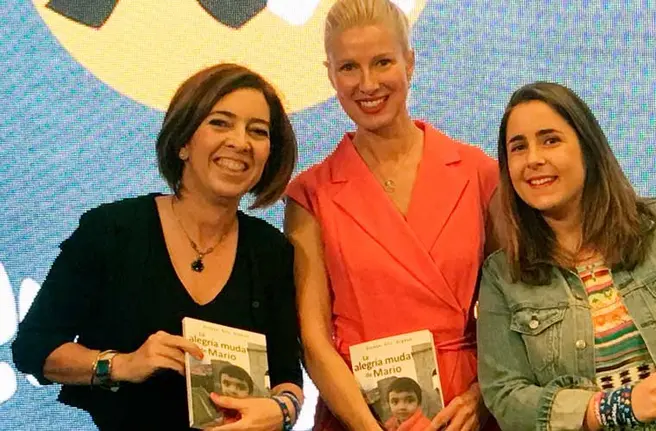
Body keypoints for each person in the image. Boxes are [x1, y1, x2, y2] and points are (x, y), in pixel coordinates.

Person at [12, 63, 304, 430]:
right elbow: (32, 348)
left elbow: (287, 375)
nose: (240, 142)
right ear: (183, 141)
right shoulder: (111, 230)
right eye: (220, 123)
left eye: (258, 131)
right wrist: (122, 364)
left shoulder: (271, 250)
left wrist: (282, 411)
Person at [476, 81, 656, 430]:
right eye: (518, 148)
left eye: (551, 140)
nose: (534, 159)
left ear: (587, 147)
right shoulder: (503, 275)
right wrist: (612, 407)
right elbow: (505, 396)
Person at [284, 1, 499, 430]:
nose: (367, 84)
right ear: (330, 75)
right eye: (349, 67)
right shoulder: (310, 194)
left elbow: (517, 305)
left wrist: (482, 397)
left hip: (465, 412)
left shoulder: (479, 173)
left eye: (382, 62)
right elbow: (313, 339)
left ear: (410, 63)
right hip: (357, 414)